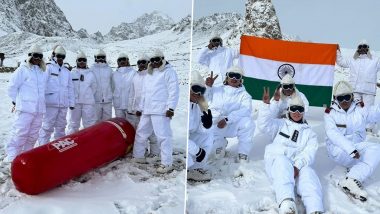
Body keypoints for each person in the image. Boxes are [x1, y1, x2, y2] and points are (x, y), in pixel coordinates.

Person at [259, 88, 324, 214]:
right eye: (293, 109)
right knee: (282, 162)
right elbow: (263, 125)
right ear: (289, 110)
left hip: (297, 165)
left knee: (309, 173)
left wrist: (297, 166)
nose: (296, 112)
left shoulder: (310, 133)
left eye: (300, 109)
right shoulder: (280, 124)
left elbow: (309, 153)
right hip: (278, 163)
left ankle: (315, 208)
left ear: (303, 112)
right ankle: (287, 203)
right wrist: (266, 106)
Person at [324, 81, 380, 201]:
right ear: (335, 98)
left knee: (377, 149)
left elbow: (375, 114)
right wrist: (351, 149)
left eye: (347, 97)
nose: (344, 101)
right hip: (338, 150)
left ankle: (352, 179)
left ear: (352, 96)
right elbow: (333, 134)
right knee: (365, 157)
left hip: (357, 148)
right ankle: (355, 169)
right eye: (340, 98)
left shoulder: (360, 109)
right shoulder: (330, 114)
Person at [132, 49, 179, 174]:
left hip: (161, 110)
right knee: (141, 133)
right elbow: (144, 93)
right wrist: (140, 108)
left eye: (157, 59)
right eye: (152, 60)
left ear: (162, 59)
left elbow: (173, 91)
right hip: (147, 109)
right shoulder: (149, 73)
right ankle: (138, 156)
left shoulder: (169, 72)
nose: (154, 62)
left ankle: (167, 163)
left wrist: (171, 108)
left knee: (163, 137)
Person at [6, 44, 47, 162]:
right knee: (20, 133)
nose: (38, 58)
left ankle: (27, 156)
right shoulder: (22, 70)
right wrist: (17, 102)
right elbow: (11, 88)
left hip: (39, 110)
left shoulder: (42, 72)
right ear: (30, 56)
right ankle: (12, 158)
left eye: (40, 56)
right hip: (25, 109)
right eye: (35, 55)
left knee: (33, 135)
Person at [205, 66, 254, 162]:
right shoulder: (216, 90)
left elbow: (246, 110)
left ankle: (243, 153)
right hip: (216, 125)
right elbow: (204, 102)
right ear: (227, 77)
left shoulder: (245, 96)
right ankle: (220, 145)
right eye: (231, 75)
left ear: (241, 80)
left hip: (233, 124)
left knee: (248, 123)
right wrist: (208, 87)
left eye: (237, 76)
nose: (234, 78)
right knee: (216, 156)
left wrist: (227, 120)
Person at [336, 40, 380, 133]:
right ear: (358, 49)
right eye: (360, 47)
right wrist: (337, 51)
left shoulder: (375, 60)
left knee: (368, 109)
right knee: (355, 109)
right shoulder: (353, 60)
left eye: (364, 46)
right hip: (355, 89)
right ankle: (357, 126)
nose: (362, 48)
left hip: (368, 90)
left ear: (368, 48)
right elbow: (341, 62)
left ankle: (368, 128)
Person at [38, 45, 75, 145]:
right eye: (59, 56)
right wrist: (40, 101)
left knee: (61, 126)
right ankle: (42, 148)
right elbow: (42, 85)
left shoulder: (67, 71)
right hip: (50, 103)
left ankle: (59, 148)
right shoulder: (48, 68)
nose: (60, 58)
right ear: (54, 55)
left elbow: (70, 88)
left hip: (63, 104)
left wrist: (71, 102)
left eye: (63, 56)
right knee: (47, 127)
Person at [128, 54, 159, 158]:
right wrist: (131, 107)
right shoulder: (135, 76)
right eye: (139, 62)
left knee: (152, 132)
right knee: (140, 131)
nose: (141, 64)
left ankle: (155, 152)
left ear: (148, 63)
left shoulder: (152, 75)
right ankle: (143, 150)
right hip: (137, 109)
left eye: (143, 62)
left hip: (149, 109)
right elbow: (132, 93)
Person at [187, 70, 213, 182]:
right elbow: (183, 136)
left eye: (201, 90)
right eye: (195, 89)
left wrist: (206, 125)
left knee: (208, 136)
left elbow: (197, 129)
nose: (198, 94)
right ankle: (187, 168)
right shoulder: (183, 105)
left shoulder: (198, 105)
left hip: (190, 139)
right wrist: (197, 151)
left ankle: (194, 170)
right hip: (183, 142)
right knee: (191, 151)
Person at [66, 51, 97, 134]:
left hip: (88, 103)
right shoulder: (72, 73)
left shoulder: (91, 74)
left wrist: (88, 96)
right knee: (73, 124)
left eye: (84, 60)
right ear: (76, 61)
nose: (82, 62)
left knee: (89, 124)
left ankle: (90, 141)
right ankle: (71, 141)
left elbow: (94, 88)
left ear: (86, 61)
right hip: (75, 103)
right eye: (80, 60)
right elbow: (69, 87)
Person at [91, 49, 113, 122]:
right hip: (96, 100)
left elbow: (113, 84)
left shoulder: (109, 69)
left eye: (102, 57)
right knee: (95, 121)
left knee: (108, 121)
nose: (101, 59)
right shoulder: (91, 69)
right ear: (95, 58)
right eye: (99, 57)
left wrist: (111, 94)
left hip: (107, 101)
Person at [112, 53, 136, 119]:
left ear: (127, 60)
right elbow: (112, 88)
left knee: (131, 124)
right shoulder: (114, 74)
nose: (122, 61)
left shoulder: (133, 73)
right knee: (120, 124)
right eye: (120, 60)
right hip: (118, 105)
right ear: (117, 62)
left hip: (129, 105)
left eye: (124, 59)